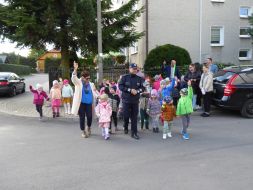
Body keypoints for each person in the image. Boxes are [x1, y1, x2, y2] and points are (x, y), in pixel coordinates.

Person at [71, 61, 99, 138]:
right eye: (87, 78)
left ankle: (89, 127)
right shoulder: (78, 83)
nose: (88, 80)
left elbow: (94, 92)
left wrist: (99, 96)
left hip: (89, 103)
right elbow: (73, 78)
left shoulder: (91, 84)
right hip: (81, 104)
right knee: (82, 118)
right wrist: (75, 69)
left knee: (90, 116)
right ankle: (83, 131)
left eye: (89, 78)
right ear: (83, 77)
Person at [119, 63, 145, 140]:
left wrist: (137, 91)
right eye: (133, 69)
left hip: (135, 101)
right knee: (126, 115)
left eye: (136, 69)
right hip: (126, 100)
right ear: (129, 69)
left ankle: (134, 133)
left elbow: (143, 88)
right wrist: (130, 90)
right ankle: (126, 126)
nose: (135, 70)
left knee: (134, 117)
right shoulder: (124, 78)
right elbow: (120, 86)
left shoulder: (139, 78)